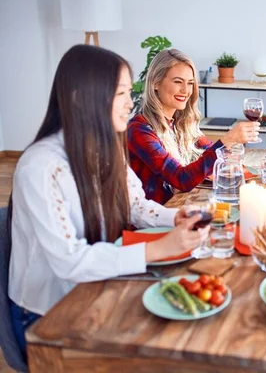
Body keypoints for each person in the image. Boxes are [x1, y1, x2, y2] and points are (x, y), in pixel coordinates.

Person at [8, 45, 209, 356]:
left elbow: (135, 205)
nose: (131, 103)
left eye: (130, 92)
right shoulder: (41, 165)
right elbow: (69, 261)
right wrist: (157, 248)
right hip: (48, 311)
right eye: (120, 93)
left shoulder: (106, 146)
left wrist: (176, 218)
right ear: (79, 97)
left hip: (101, 281)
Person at [128, 49, 258, 204]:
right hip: (154, 220)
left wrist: (233, 152)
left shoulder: (181, 123)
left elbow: (212, 152)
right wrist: (228, 139)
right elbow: (181, 178)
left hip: (180, 205)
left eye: (190, 83)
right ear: (156, 83)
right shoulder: (139, 130)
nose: (186, 90)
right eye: (177, 82)